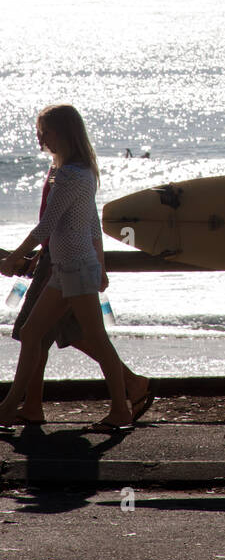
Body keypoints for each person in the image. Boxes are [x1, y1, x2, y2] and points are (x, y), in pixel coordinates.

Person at [0, 105, 138, 432]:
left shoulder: (70, 175)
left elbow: (46, 225)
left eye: (45, 130)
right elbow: (90, 224)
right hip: (67, 268)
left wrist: (12, 257)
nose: (39, 136)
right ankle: (11, 407)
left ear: (62, 132)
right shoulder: (82, 171)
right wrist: (100, 266)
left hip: (75, 268)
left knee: (97, 339)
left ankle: (120, 409)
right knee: (33, 333)